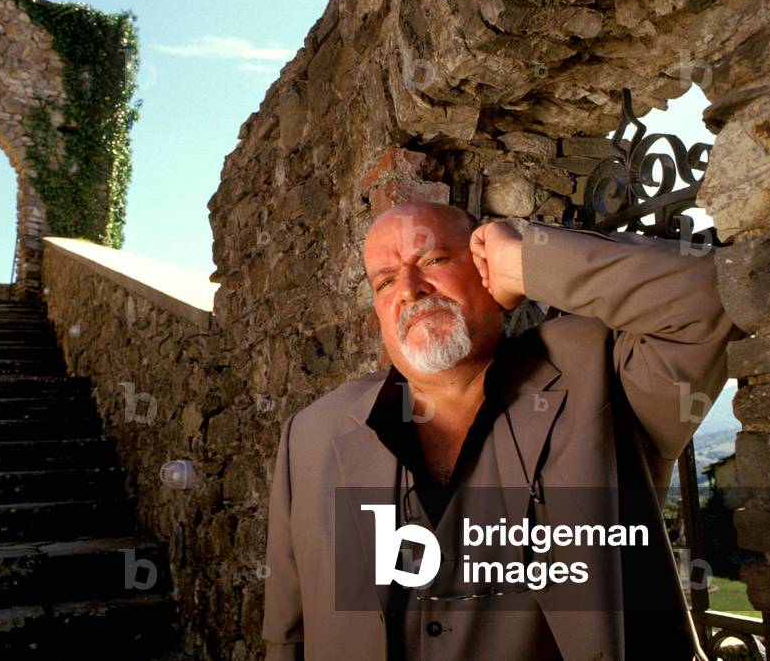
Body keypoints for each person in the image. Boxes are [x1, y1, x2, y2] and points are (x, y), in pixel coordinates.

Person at [263, 202, 744, 660]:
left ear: (486, 270)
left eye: (433, 258)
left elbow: (717, 295)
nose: (410, 289)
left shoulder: (599, 374)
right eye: (385, 281)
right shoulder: (310, 435)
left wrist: (529, 260)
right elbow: (289, 634)